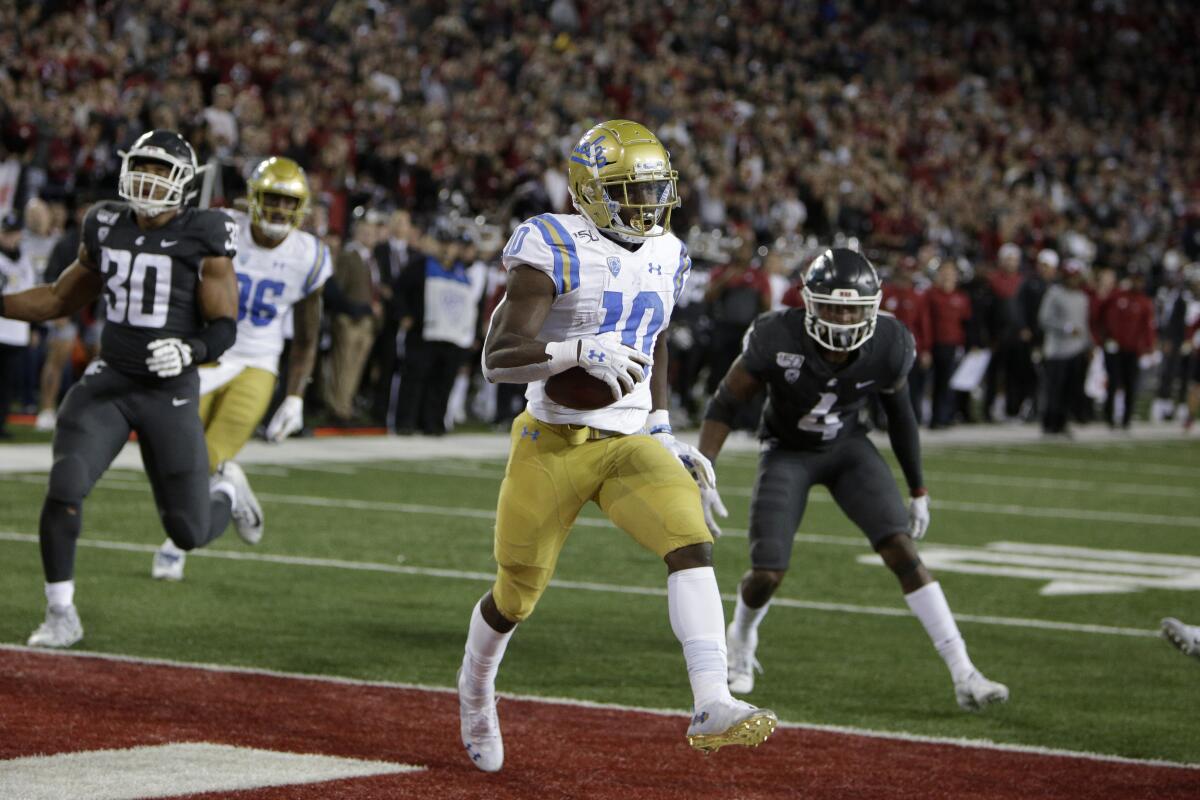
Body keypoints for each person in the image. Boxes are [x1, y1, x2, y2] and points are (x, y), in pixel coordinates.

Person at [456, 119, 776, 773]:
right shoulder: (551, 245)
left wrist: (660, 423)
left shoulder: (668, 251)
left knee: (689, 540)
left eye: (654, 190)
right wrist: (573, 349)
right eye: (630, 191)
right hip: (552, 443)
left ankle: (712, 699)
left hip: (629, 438)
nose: (647, 206)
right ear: (588, 190)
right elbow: (498, 357)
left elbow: (654, 333)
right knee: (516, 594)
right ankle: (475, 690)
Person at [698, 248, 1008, 712]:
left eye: (852, 307)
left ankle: (965, 671)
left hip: (847, 449)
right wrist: (704, 468)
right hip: (787, 451)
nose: (843, 318)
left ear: (872, 306)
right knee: (767, 572)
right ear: (808, 302)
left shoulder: (890, 342)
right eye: (832, 305)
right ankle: (741, 637)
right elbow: (725, 403)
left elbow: (900, 417)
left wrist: (918, 489)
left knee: (903, 550)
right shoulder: (775, 335)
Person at [0, 130, 263, 648]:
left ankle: (227, 490)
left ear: (185, 182)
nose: (148, 178)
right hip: (110, 384)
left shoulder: (206, 232)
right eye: (141, 166)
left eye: (162, 170)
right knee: (65, 486)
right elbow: (58, 298)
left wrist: (191, 350)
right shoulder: (105, 223)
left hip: (170, 391)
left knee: (188, 530)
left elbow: (225, 326)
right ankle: (60, 612)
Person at [150, 156, 330, 581]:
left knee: (205, 455)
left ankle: (176, 544)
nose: (281, 211)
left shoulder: (308, 255)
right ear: (252, 197)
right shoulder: (220, 227)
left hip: (257, 361)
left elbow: (306, 336)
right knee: (172, 455)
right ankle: (230, 488)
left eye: (290, 203)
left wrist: (295, 395)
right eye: (272, 199)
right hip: (205, 352)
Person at [1038, 258, 1091, 436]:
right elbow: (1044, 319)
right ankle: (1048, 424)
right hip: (1056, 350)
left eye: (1075, 277)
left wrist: (1088, 345)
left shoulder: (1082, 297)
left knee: (1070, 389)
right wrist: (1066, 328)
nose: (1073, 280)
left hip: (1076, 350)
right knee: (1054, 389)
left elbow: (1084, 324)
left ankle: (1062, 423)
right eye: (1070, 277)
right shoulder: (1054, 293)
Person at [0, 210, 37, 438]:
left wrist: (33, 327)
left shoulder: (26, 261)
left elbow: (32, 296)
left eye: (14, 233)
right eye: (7, 233)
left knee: (8, 384)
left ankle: (1, 422)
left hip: (17, 332)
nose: (11, 238)